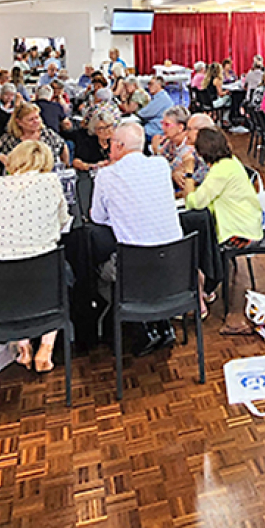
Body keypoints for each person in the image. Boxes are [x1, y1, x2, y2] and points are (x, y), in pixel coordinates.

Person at [90, 123, 183, 355]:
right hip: (175, 260)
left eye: (111, 142)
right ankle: (162, 323)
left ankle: (140, 323)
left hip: (133, 265)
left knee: (99, 273)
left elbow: (97, 217)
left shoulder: (106, 174)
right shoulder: (161, 165)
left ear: (119, 146)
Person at [0, 141, 70, 372]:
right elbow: (63, 221)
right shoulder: (51, 182)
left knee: (16, 276)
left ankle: (23, 344)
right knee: (60, 275)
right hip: (43, 272)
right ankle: (47, 348)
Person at [184, 127, 263, 334]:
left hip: (240, 231)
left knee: (196, 241)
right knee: (202, 236)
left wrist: (188, 174)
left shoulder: (220, 170)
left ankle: (204, 288)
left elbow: (194, 202)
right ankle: (206, 287)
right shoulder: (230, 162)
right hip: (246, 222)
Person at [0, 101, 70, 167]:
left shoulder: (48, 134)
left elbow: (63, 146)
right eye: (31, 119)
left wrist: (65, 166)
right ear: (19, 122)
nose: (36, 122)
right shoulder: (9, 139)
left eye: (37, 117)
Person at [152, 106, 204, 194]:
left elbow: (163, 169)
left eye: (167, 125)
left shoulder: (189, 147)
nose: (162, 128)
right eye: (162, 123)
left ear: (180, 127)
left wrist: (156, 150)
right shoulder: (172, 142)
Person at [138, 76, 175, 140]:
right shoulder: (160, 97)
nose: (148, 86)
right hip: (155, 128)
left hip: (155, 131)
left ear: (159, 85)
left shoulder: (162, 98)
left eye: (151, 84)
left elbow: (143, 114)